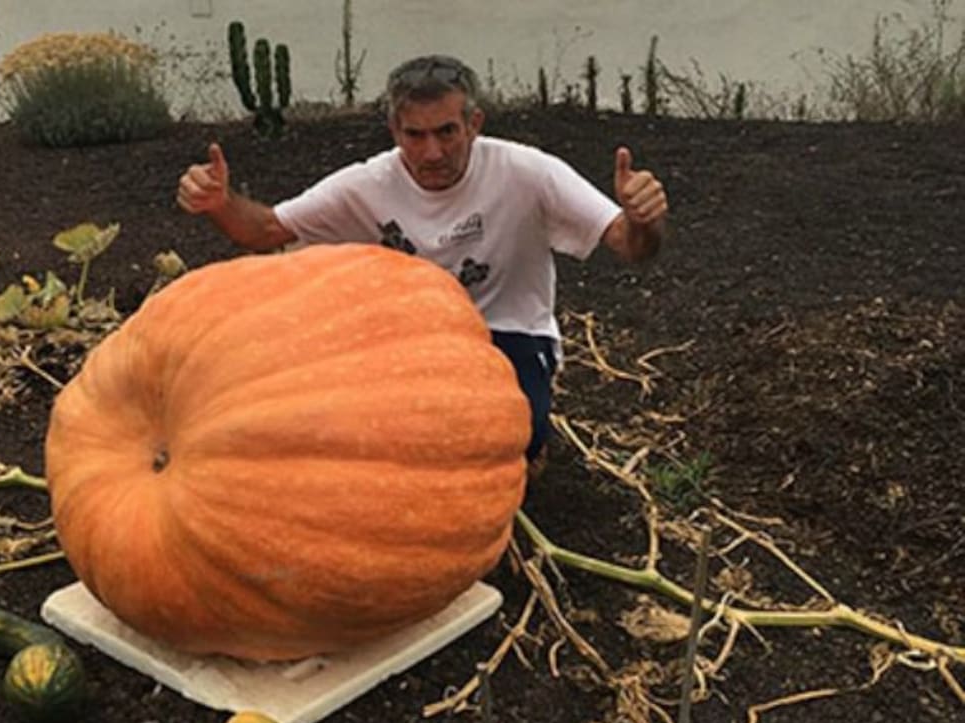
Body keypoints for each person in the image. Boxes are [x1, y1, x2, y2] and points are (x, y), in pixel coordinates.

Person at [176, 53, 668, 471]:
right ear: (394, 130)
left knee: (511, 441)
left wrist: (643, 218)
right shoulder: (368, 184)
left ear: (474, 124)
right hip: (403, 335)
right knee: (349, 434)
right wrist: (219, 203)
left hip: (506, 330)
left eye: (447, 132)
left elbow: (629, 244)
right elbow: (264, 230)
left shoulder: (528, 173)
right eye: (415, 135)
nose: (432, 152)